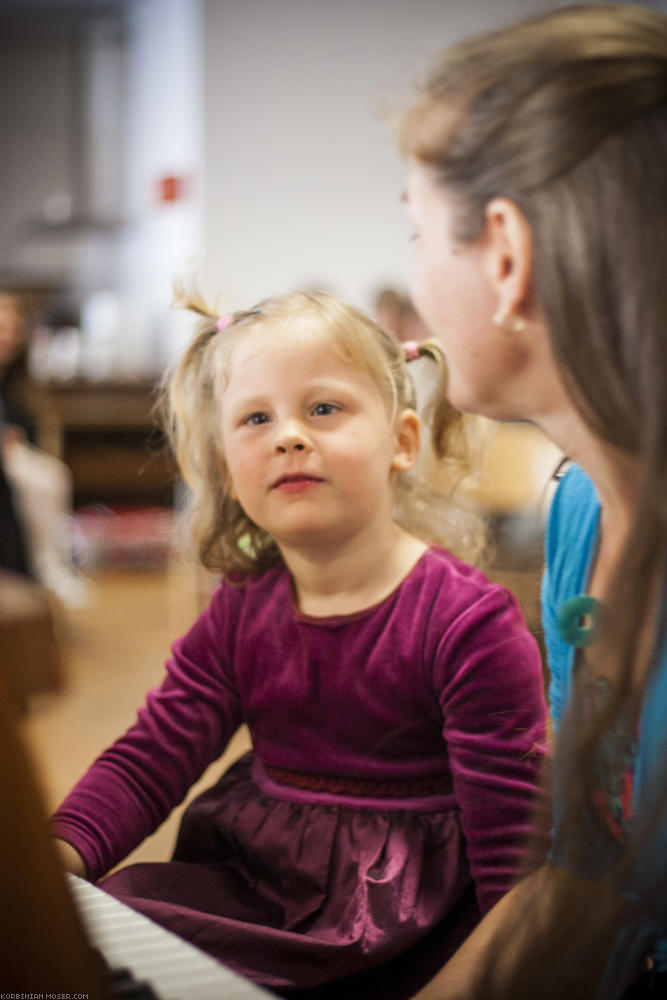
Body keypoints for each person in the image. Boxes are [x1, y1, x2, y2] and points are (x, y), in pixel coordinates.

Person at [51, 289, 547, 998]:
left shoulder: (467, 625)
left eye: (323, 409)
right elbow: (151, 757)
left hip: (409, 935)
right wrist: (52, 863)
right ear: (226, 467)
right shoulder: (241, 606)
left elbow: (516, 869)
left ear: (401, 441)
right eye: (255, 418)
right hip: (256, 891)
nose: (288, 435)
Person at [396, 5, 667, 998]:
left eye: (416, 229)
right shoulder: (580, 513)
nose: (418, 277)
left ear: (504, 256)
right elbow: (582, 876)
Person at [0, 293, 92, 608]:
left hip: (16, 463)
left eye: (12, 329)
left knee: (51, 478)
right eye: (1, 328)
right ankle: (47, 565)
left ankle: (51, 563)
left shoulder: (19, 387)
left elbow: (32, 433)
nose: (7, 337)